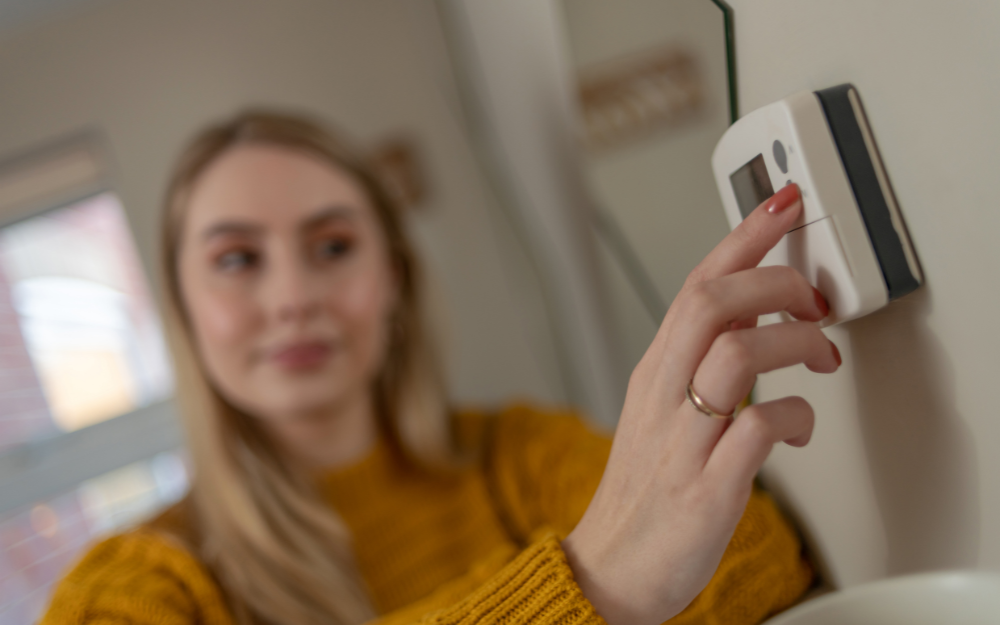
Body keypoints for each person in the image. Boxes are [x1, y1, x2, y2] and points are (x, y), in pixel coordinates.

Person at [41, 110, 836, 625]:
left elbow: (752, 559)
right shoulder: (136, 588)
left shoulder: (517, 456)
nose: (293, 298)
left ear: (394, 279)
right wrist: (592, 581)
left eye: (332, 247)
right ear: (182, 306)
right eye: (237, 258)